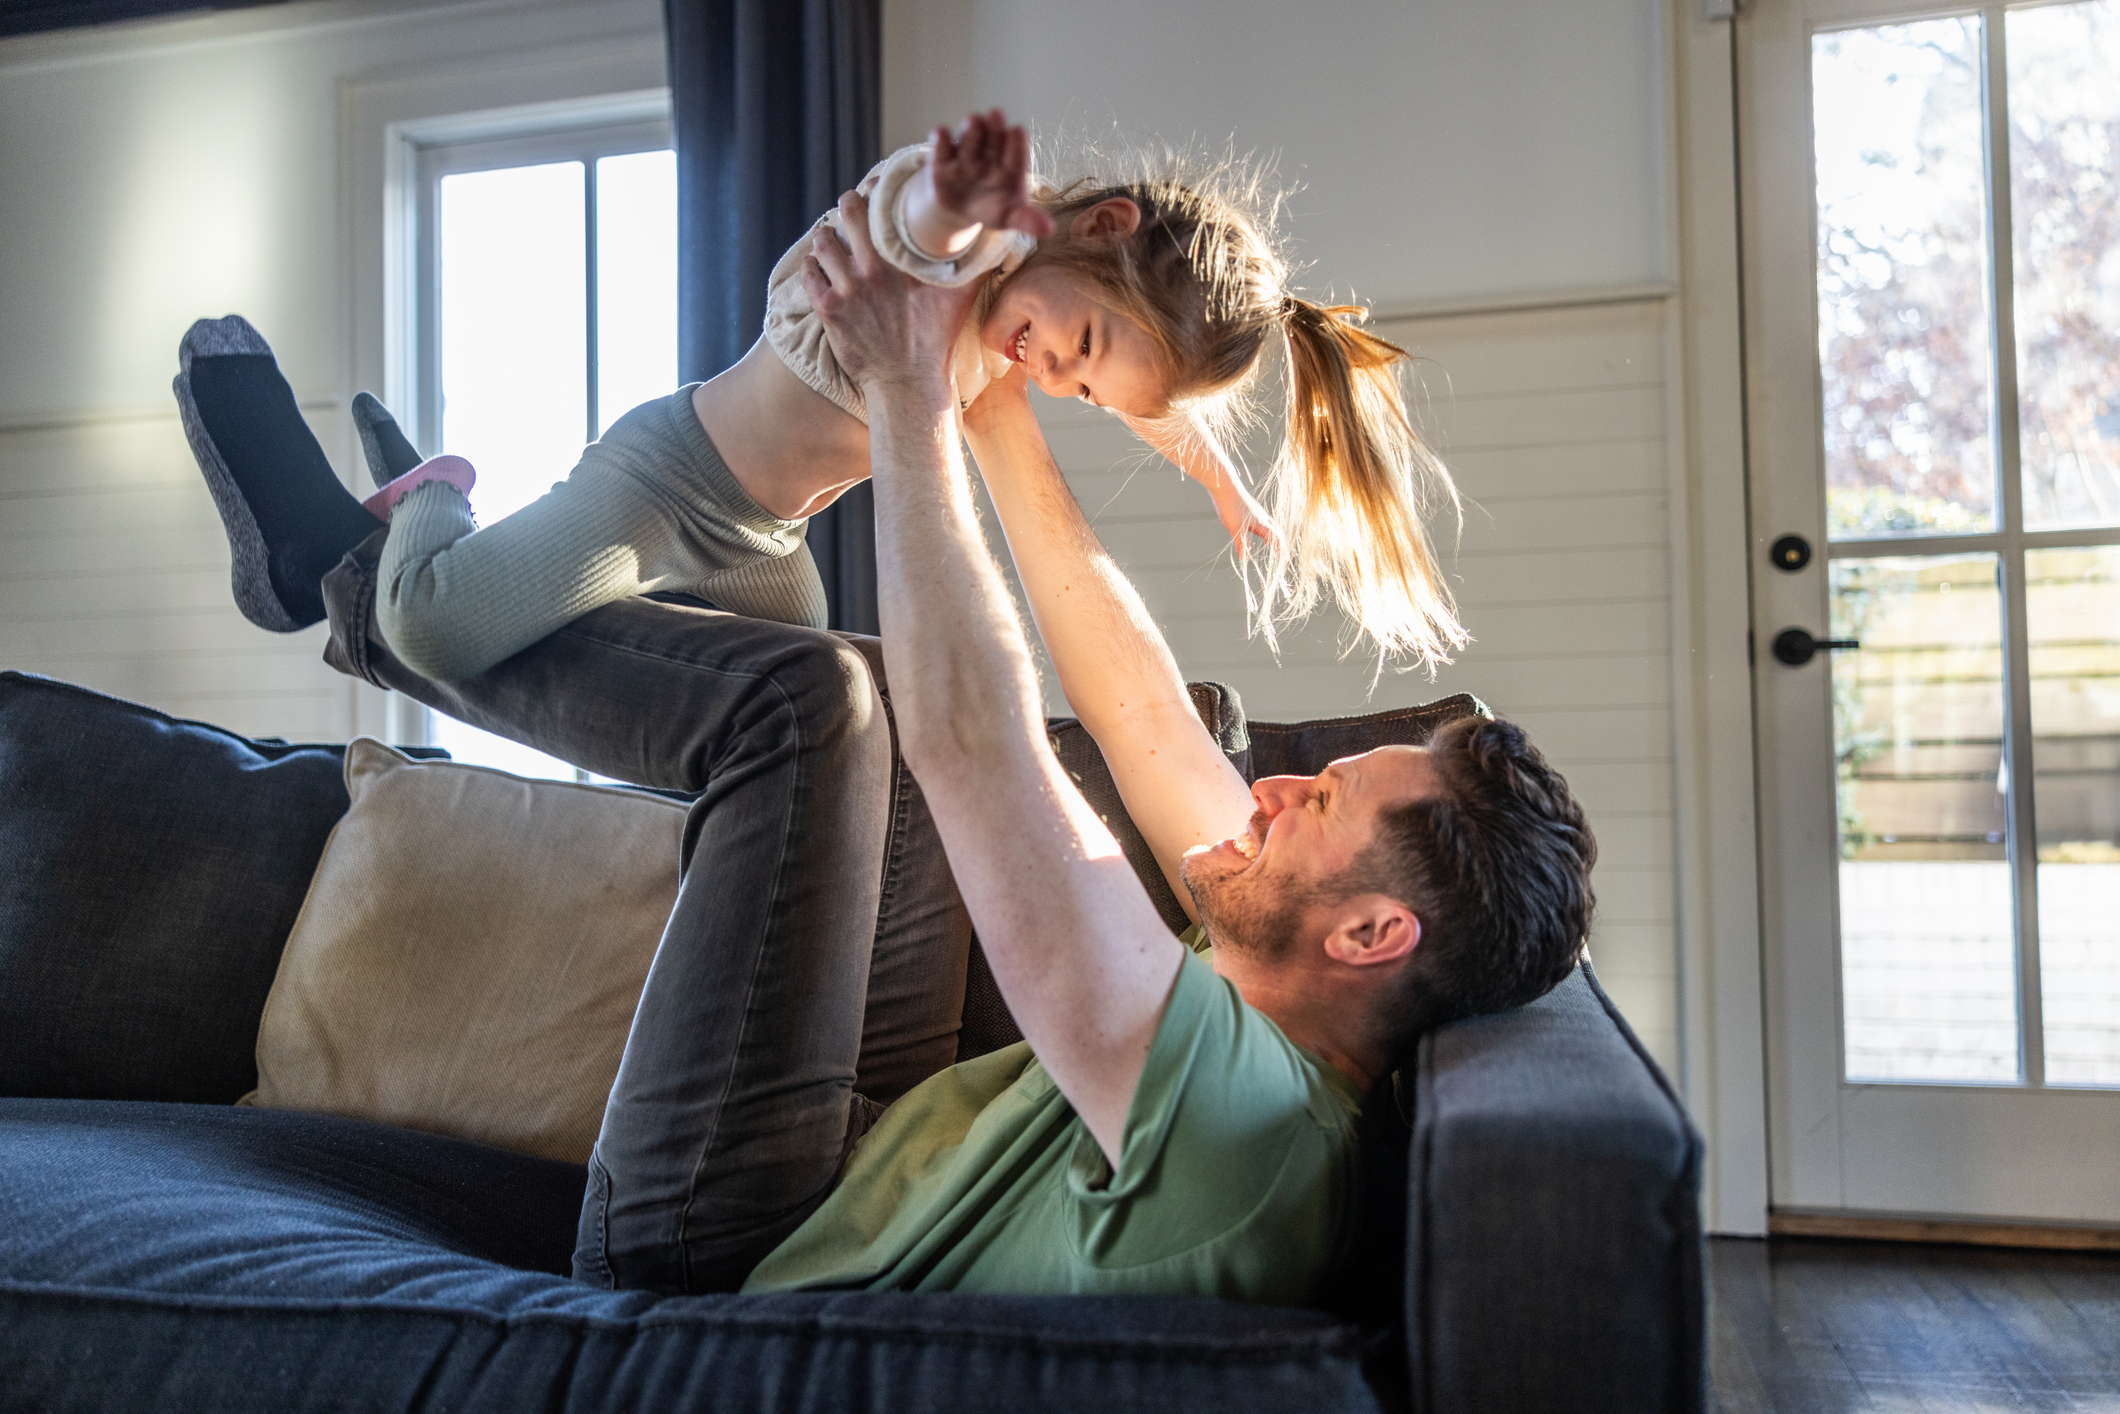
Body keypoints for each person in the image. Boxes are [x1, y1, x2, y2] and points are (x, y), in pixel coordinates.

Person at [174, 193, 1595, 1303]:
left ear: (1371, 931)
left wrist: (908, 397)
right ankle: (398, 583)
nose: (1280, 787)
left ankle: (356, 592)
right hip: (872, 1132)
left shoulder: (1240, 1121)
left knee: (813, 709)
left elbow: (977, 745)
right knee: (848, 679)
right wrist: (982, 395)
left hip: (722, 1238)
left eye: (1326, 799)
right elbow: (1143, 712)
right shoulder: (1269, 993)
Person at [175, 112, 1468, 710]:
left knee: (819, 701)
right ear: (1100, 227)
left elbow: (1150, 409)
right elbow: (912, 229)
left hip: (767, 545)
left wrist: (1221, 483)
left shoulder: (1054, 336)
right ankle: (430, 492)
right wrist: (955, 202)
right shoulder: (944, 240)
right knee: (437, 628)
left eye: (1079, 381)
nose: (1056, 375)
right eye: (1076, 347)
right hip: (663, 480)